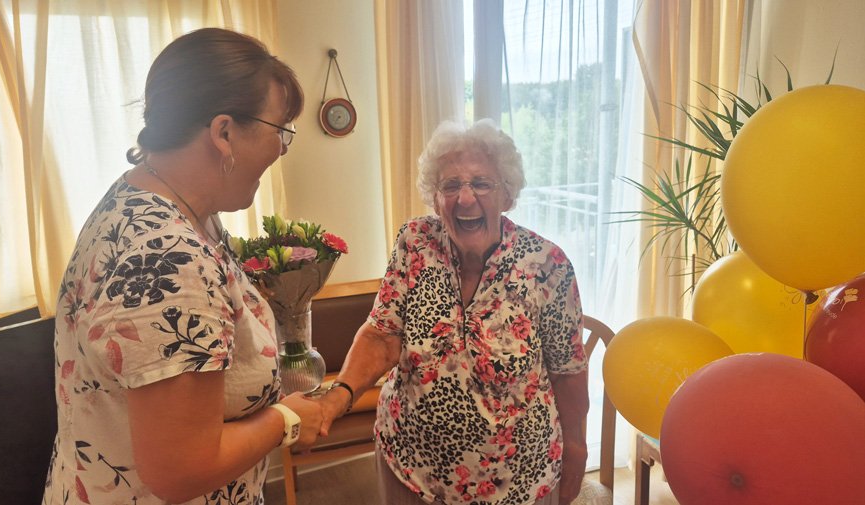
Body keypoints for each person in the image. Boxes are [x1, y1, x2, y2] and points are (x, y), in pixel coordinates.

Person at [43, 28, 326, 505]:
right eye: (281, 130)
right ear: (223, 132)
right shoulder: (166, 260)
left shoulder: (170, 208)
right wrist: (289, 418)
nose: (282, 148)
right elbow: (182, 469)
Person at [321, 119, 590, 504]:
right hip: (412, 465)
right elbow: (382, 333)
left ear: (507, 195)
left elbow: (568, 372)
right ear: (435, 197)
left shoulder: (546, 264)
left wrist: (577, 449)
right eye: (450, 185)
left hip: (517, 480)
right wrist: (340, 394)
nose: (465, 199)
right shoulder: (415, 243)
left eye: (481, 183)